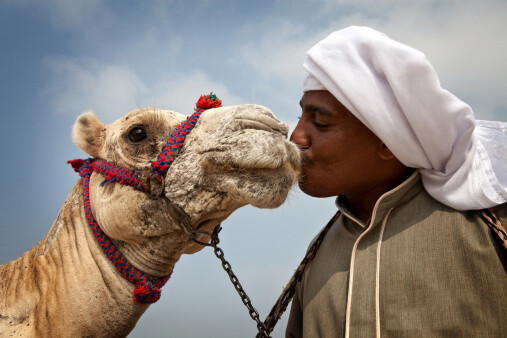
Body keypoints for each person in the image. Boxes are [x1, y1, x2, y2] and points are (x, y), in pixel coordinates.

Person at [286, 26, 506, 337]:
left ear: (390, 142)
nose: (296, 137)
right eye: (301, 117)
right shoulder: (317, 254)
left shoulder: (489, 228)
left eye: (320, 121)